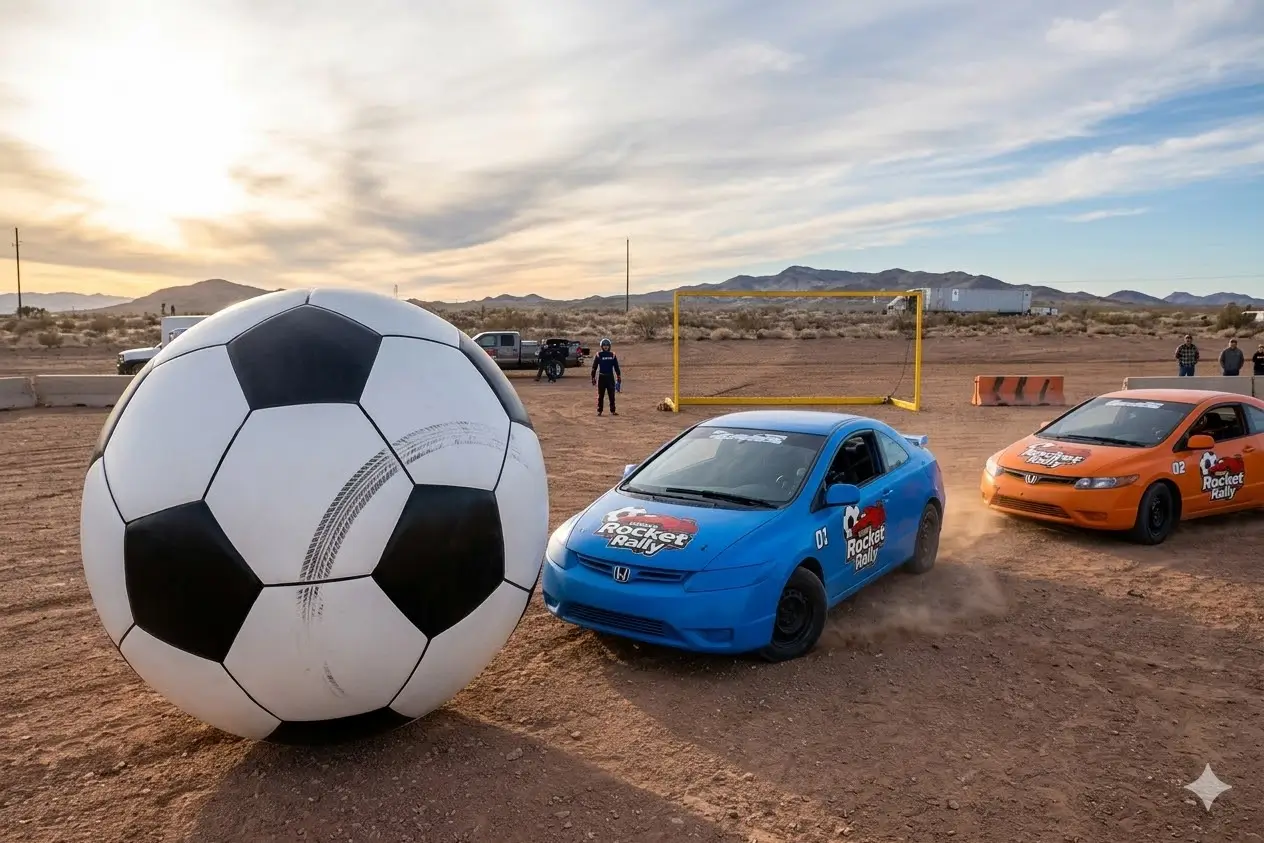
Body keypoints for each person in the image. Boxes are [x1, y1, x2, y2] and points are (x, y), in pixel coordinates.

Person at [590, 337, 621, 416]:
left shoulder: (612, 355)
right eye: (604, 345)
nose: (606, 347)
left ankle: (613, 410)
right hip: (602, 377)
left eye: (607, 345)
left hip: (610, 377)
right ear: (601, 346)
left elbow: (616, 367)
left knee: (612, 395)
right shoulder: (598, 355)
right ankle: (599, 410)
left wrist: (618, 376)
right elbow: (594, 367)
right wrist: (593, 377)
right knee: (601, 395)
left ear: (609, 346)